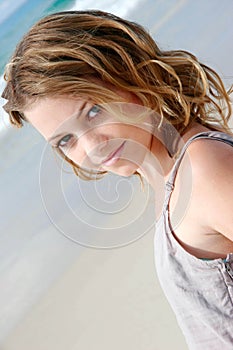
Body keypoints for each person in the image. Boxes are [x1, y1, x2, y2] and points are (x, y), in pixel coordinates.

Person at [2, 10, 233, 349]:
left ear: (130, 75)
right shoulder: (171, 179)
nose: (92, 146)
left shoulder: (202, 170)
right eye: (66, 140)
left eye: (94, 111)